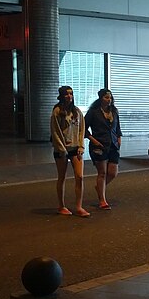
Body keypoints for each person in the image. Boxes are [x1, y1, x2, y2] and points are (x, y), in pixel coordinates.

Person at [50, 85, 90, 217]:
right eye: (66, 94)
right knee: (62, 177)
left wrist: (81, 146)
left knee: (80, 177)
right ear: (61, 96)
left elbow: (81, 130)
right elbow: (55, 131)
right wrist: (61, 148)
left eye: (71, 94)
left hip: (75, 148)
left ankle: (79, 206)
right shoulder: (57, 111)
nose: (69, 96)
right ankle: (61, 206)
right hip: (61, 150)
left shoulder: (77, 111)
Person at [85, 88, 123, 210]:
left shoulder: (114, 111)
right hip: (99, 145)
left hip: (113, 145)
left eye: (110, 98)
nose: (109, 100)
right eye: (106, 97)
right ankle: (102, 200)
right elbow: (84, 129)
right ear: (100, 98)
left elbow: (118, 128)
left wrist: (119, 138)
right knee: (102, 173)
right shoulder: (93, 112)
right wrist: (93, 140)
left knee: (113, 173)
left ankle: (100, 187)